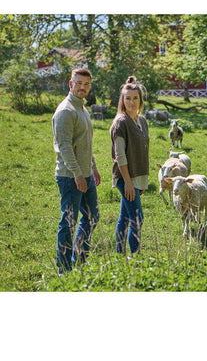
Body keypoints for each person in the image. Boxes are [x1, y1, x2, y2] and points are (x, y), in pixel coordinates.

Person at [52, 68, 101, 274]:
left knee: (92, 216)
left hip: (86, 174)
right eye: (79, 83)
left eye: (86, 84)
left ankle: (80, 258)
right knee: (69, 222)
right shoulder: (66, 111)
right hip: (70, 176)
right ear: (71, 84)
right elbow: (64, 147)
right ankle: (64, 269)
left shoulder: (82, 109)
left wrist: (93, 168)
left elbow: (84, 144)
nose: (83, 87)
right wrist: (77, 174)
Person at [110, 76, 149, 256]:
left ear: (140, 100)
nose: (131, 102)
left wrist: (141, 181)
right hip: (125, 177)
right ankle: (136, 257)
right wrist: (128, 182)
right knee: (137, 218)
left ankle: (120, 254)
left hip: (137, 177)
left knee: (125, 216)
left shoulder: (142, 121)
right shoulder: (120, 123)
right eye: (127, 98)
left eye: (135, 98)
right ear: (122, 100)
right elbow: (120, 156)